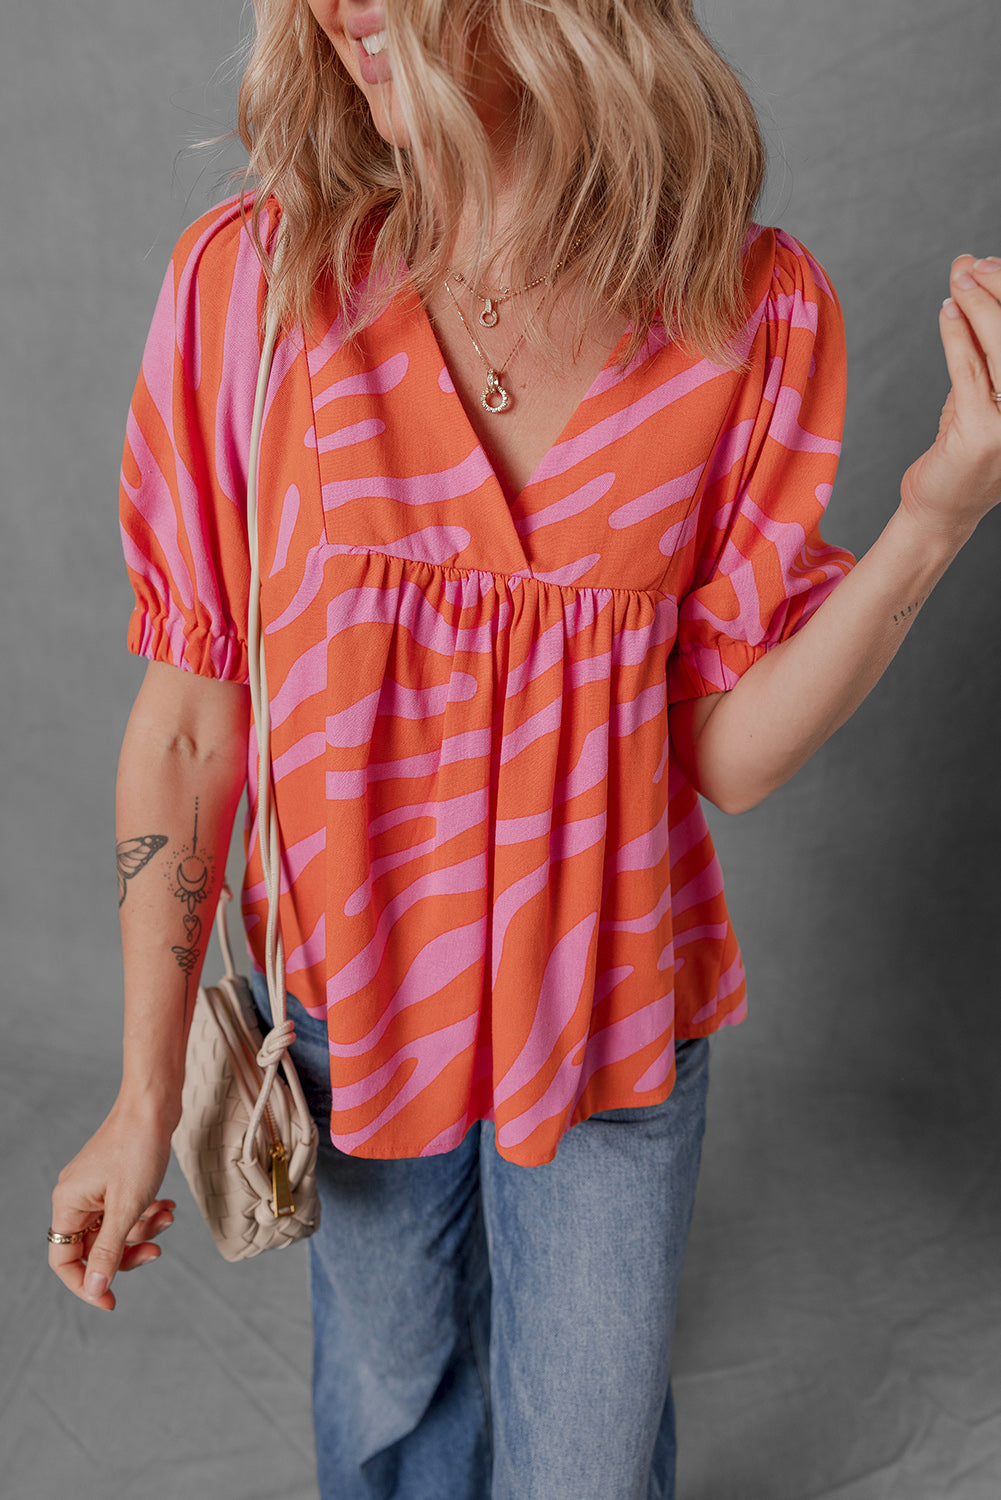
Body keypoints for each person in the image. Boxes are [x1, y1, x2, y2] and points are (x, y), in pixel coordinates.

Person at [49, 2, 1001, 1496]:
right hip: (347, 1013)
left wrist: (936, 517)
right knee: (391, 1416)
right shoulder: (254, 291)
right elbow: (188, 723)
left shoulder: (743, 312)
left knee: (588, 1463)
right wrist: (141, 1094)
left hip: (610, 1007)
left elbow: (728, 755)